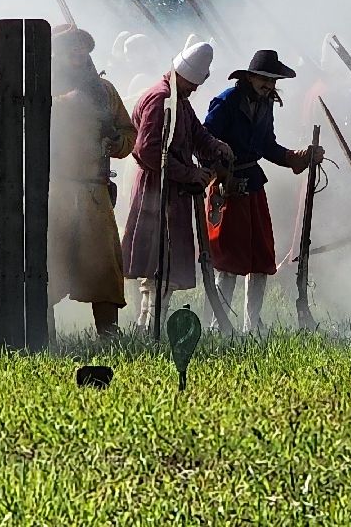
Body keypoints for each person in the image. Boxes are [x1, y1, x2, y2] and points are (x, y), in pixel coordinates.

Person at [203, 49, 321, 335]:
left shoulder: (266, 103)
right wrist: (220, 177)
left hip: (253, 183)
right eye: (264, 80)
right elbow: (205, 141)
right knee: (228, 259)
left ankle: (251, 325)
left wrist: (295, 157)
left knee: (260, 256)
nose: (269, 86)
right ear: (250, 77)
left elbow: (267, 144)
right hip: (227, 185)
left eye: (273, 81)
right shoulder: (227, 100)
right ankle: (220, 325)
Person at [122, 41, 233, 329]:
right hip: (157, 192)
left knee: (165, 264)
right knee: (157, 262)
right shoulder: (160, 100)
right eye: (193, 83)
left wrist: (216, 146)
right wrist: (188, 174)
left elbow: (196, 135)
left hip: (172, 190)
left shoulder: (178, 100)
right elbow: (147, 151)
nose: (195, 89)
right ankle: (148, 325)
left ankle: (150, 324)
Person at [50, 23, 137, 337]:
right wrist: (68, 102)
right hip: (55, 188)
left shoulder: (104, 91)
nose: (77, 52)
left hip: (94, 189)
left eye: (80, 46)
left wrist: (116, 144)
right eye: (69, 46)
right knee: (50, 262)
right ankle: (44, 333)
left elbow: (128, 133)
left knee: (103, 266)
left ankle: (108, 332)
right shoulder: (44, 86)